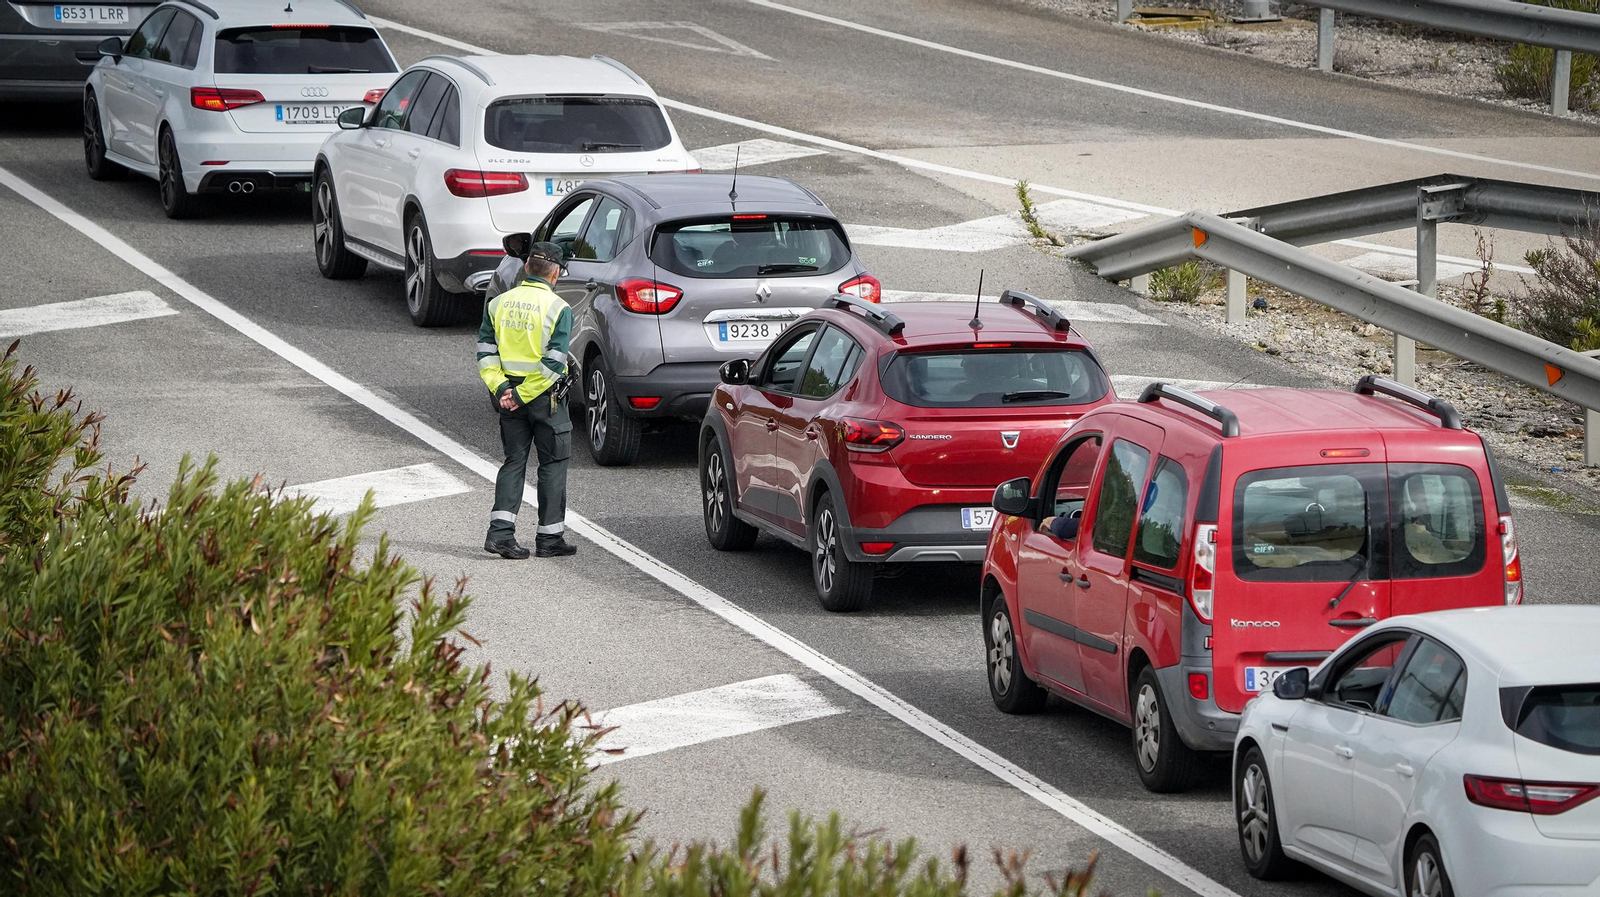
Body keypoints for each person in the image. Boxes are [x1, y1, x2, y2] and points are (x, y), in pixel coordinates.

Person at [477, 241, 577, 559]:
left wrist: (502, 389)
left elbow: (485, 351)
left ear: (526, 268)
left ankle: (501, 535)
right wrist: (522, 395)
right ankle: (549, 539)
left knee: (514, 462)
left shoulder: (498, 303)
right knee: (552, 464)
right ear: (556, 274)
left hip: (509, 396)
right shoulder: (558, 309)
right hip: (543, 397)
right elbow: (554, 362)